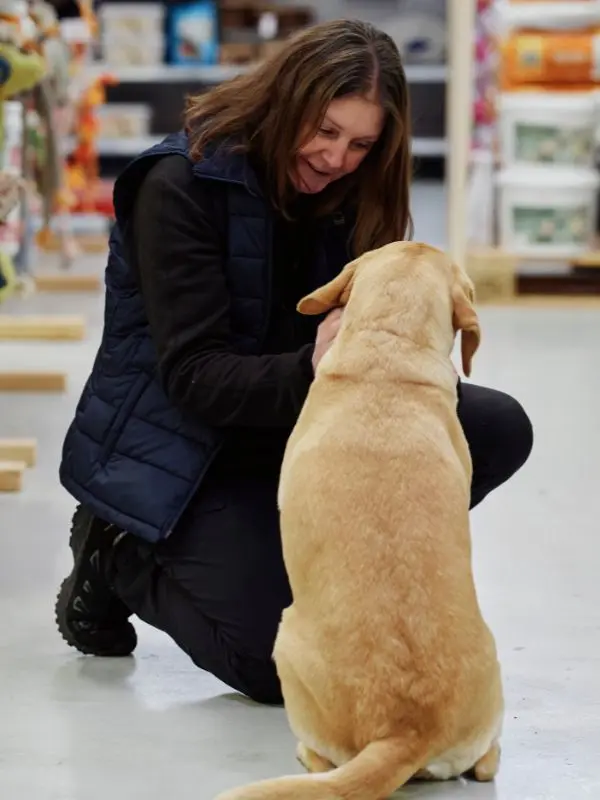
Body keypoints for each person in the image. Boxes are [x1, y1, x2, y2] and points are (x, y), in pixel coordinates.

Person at [55, 19, 533, 705]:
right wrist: (316, 364)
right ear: (285, 102)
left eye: (361, 143)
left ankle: (349, 580)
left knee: (493, 427)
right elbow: (195, 379)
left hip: (297, 425)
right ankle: (117, 552)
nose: (336, 158)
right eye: (325, 130)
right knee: (276, 667)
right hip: (185, 449)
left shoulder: (355, 190)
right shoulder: (179, 184)